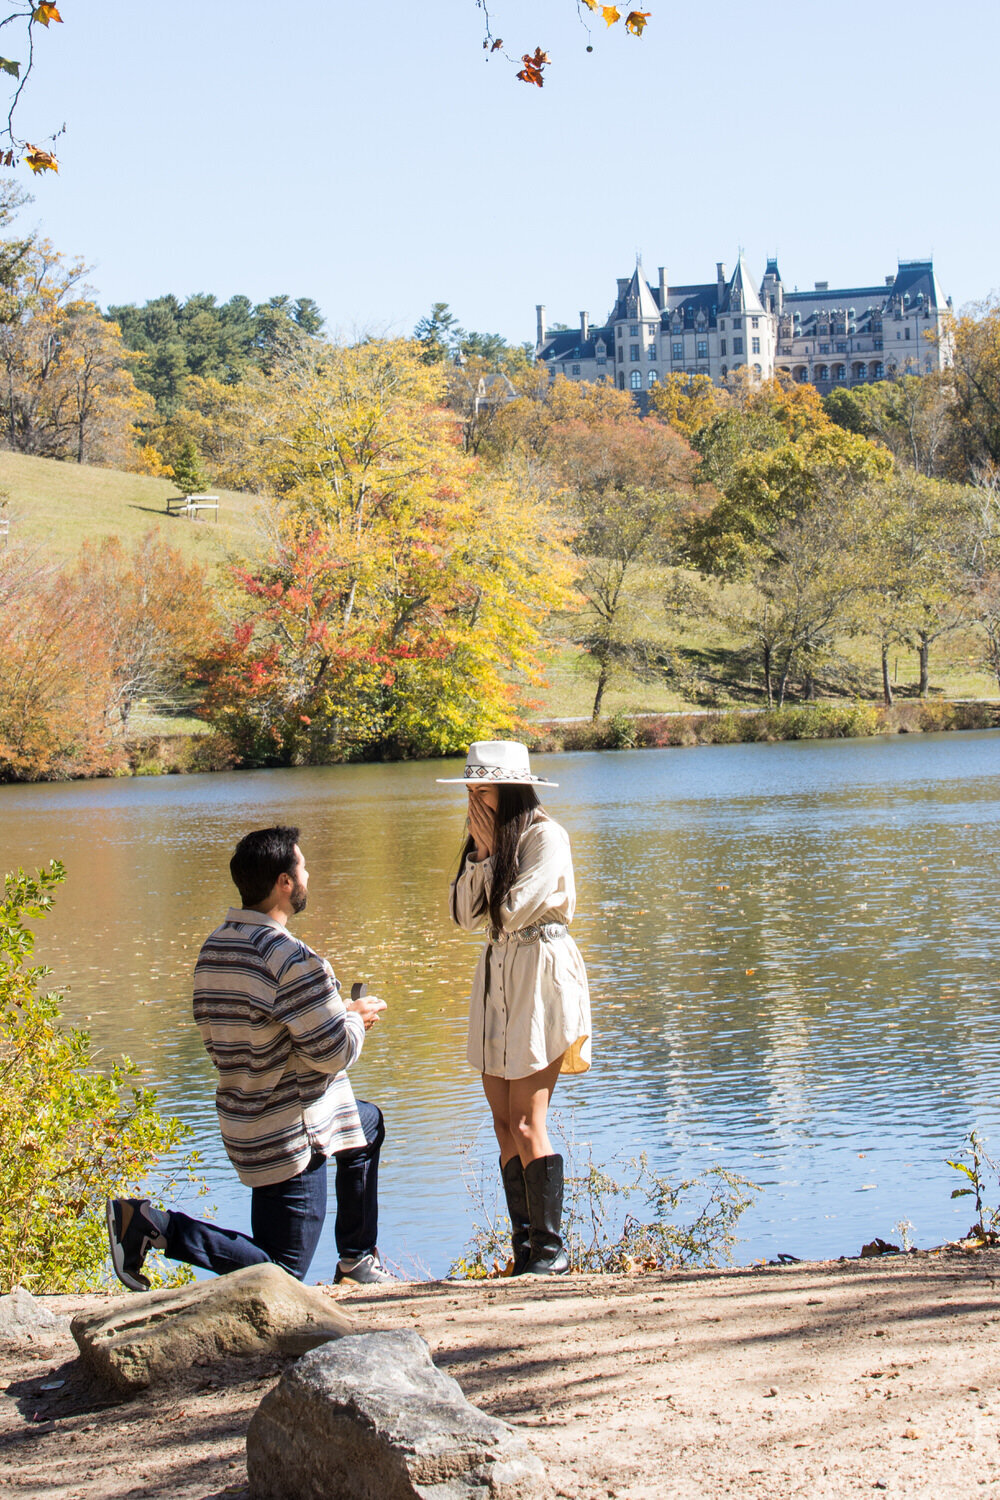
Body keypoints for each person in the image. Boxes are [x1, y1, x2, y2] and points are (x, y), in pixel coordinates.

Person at [106, 825, 393, 1290]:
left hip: (246, 1120)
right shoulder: (291, 959)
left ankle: (356, 1258)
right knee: (279, 1276)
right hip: (293, 1132)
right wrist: (355, 1018)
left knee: (367, 1124)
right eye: (302, 867)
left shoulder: (216, 948)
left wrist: (330, 1012)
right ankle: (152, 1226)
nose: (308, 874)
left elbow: (249, 1028)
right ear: (284, 882)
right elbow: (332, 1052)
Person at [440, 741, 591, 1275]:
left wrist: (490, 855)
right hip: (497, 975)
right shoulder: (485, 842)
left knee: (529, 1121)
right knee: (503, 1121)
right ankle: (524, 1249)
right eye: (470, 790)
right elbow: (464, 916)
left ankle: (552, 1252)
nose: (473, 800)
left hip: (540, 973)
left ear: (508, 790)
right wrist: (481, 853)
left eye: (482, 790)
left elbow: (508, 912)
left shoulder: (545, 836)